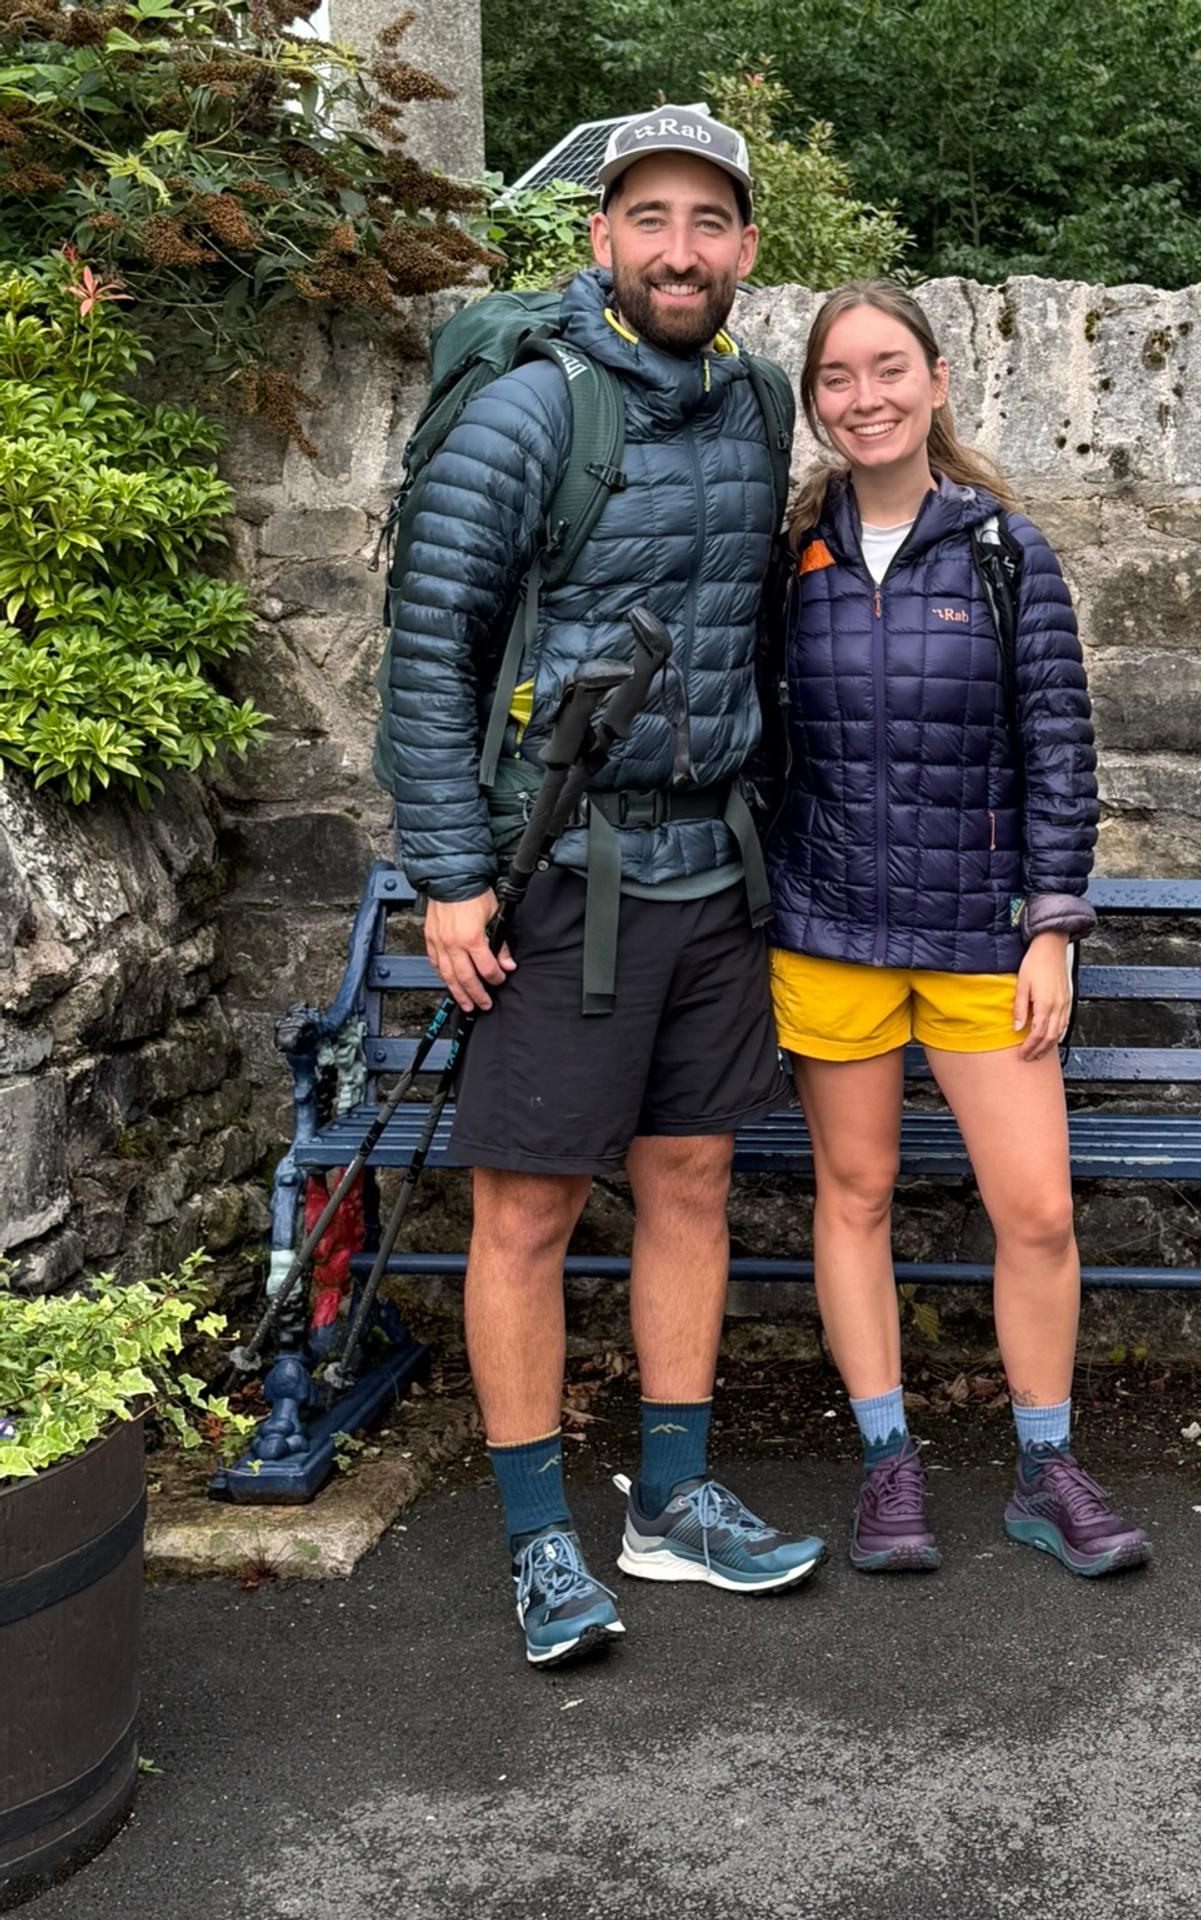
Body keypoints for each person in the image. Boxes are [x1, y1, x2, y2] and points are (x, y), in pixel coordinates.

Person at [385, 104, 822, 1668]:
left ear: (747, 250)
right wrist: (451, 877)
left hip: (712, 869)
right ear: (601, 239)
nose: (681, 250)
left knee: (691, 1181)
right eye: (652, 220)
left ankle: (676, 1501)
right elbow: (428, 653)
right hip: (562, 873)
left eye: (710, 222)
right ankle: (537, 1541)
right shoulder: (527, 415)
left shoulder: (760, 403)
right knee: (528, 1209)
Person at [763, 284, 1151, 1579]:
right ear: (817, 401)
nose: (863, 397)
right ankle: (888, 1462)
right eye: (837, 377)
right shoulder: (792, 553)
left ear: (936, 380)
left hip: (984, 940)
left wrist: (1053, 928)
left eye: (888, 370)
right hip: (828, 932)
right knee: (855, 1195)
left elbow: (1060, 751)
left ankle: (1047, 1469)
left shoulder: (1003, 552)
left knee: (1036, 1211)